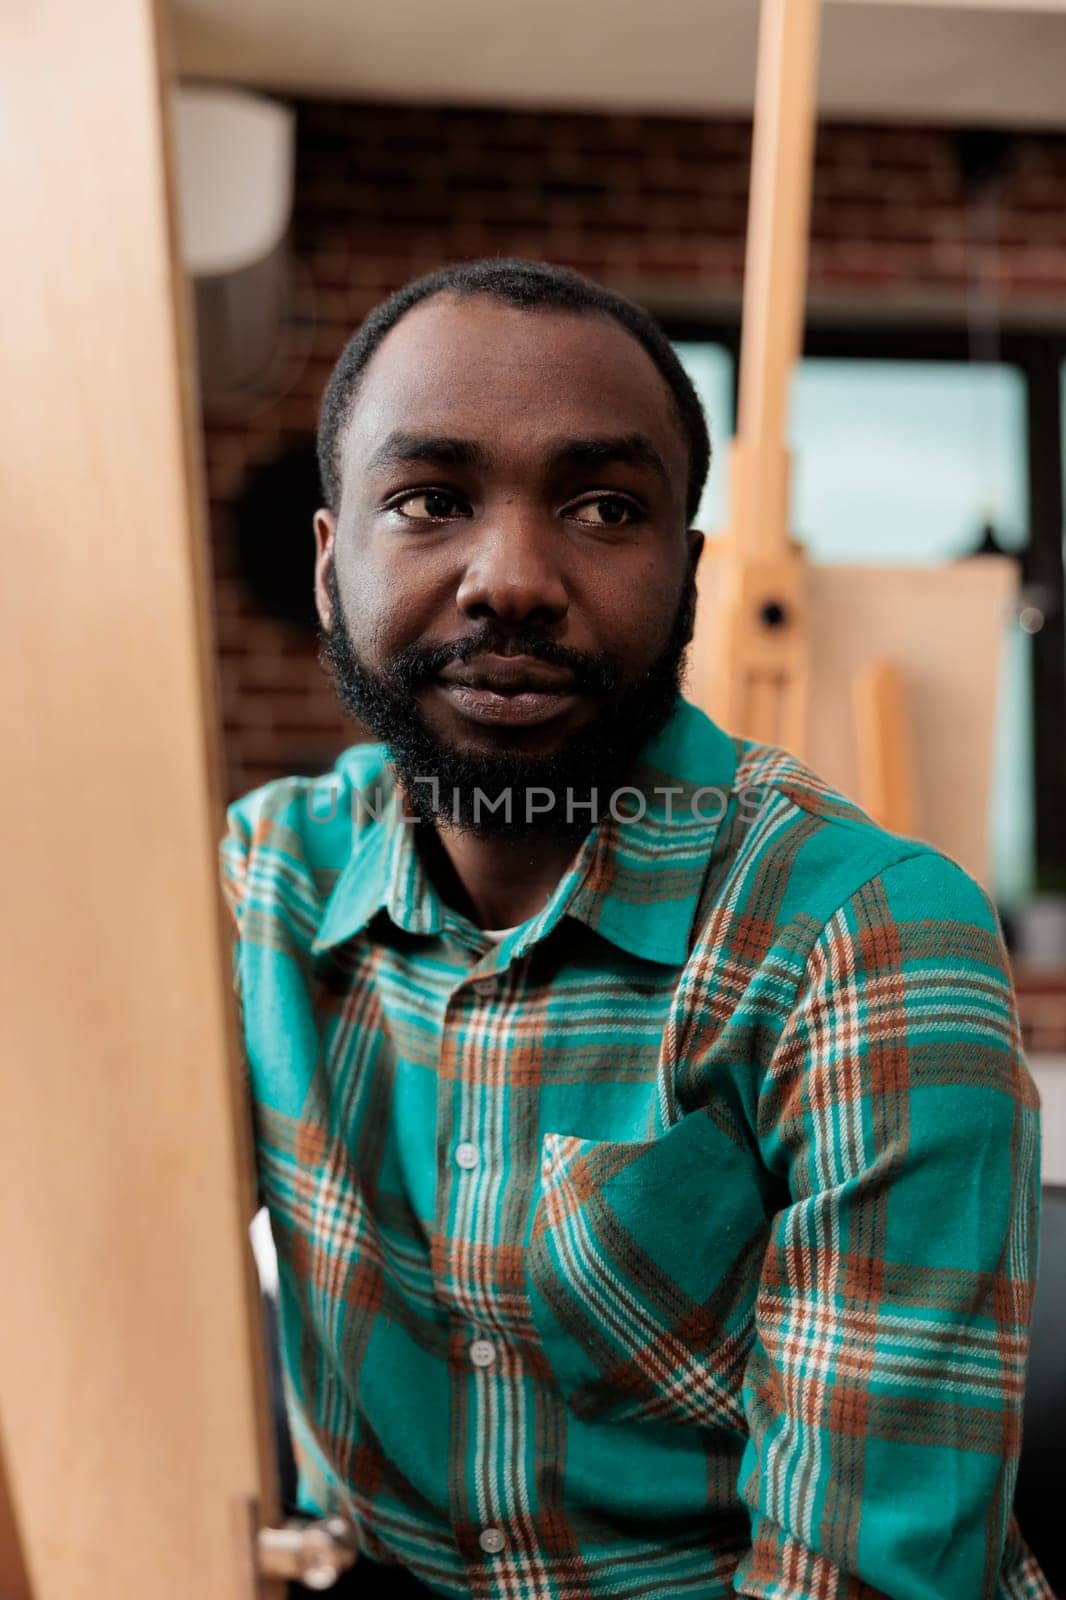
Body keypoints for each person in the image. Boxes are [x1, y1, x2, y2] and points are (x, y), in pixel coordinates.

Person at [220, 259, 1051, 1599]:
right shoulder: (260, 885)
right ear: (329, 567)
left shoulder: (861, 931)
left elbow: (852, 1581)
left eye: (604, 508)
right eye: (428, 500)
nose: (511, 580)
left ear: (685, 575)